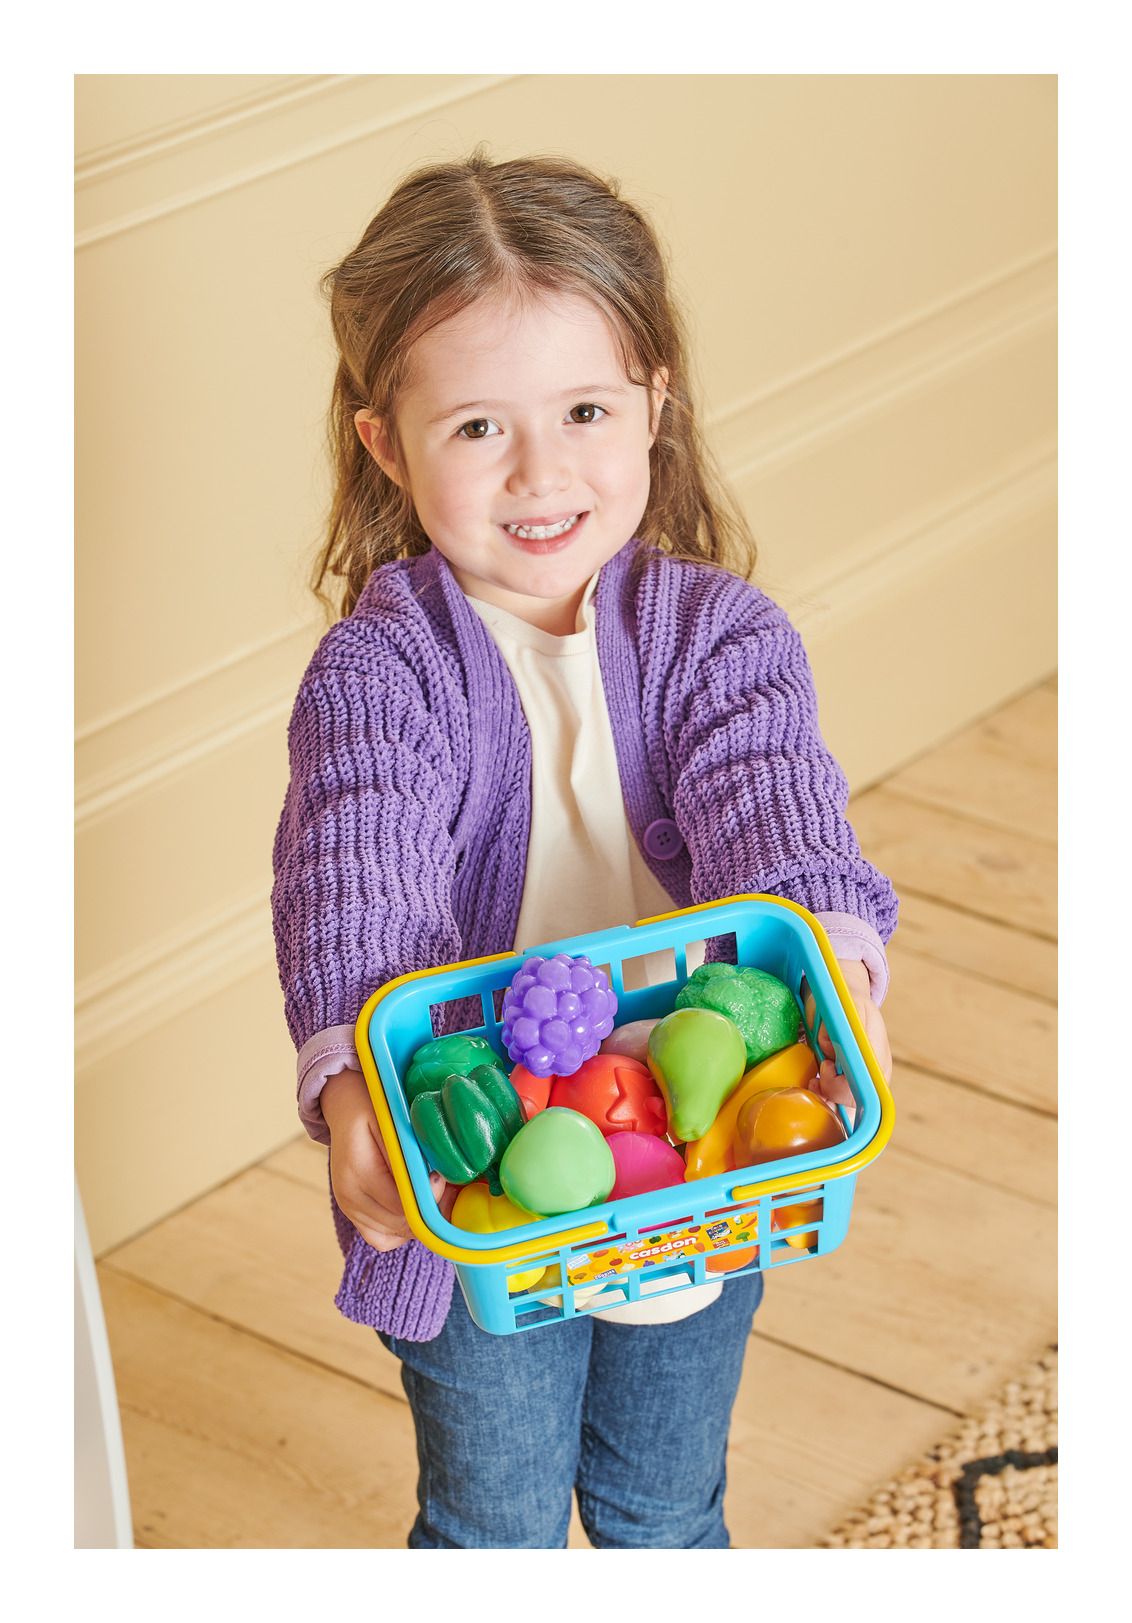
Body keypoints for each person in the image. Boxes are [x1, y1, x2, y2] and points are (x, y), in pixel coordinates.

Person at [271, 147, 897, 1550]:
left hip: (702, 1172)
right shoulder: (383, 671)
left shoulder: (721, 635)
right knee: (489, 1526)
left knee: (666, 1512)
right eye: (479, 428)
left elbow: (775, 803)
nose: (542, 472)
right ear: (388, 443)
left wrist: (834, 965)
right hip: (477, 1195)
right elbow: (355, 877)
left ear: (656, 406)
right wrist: (358, 1089)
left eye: (586, 410)